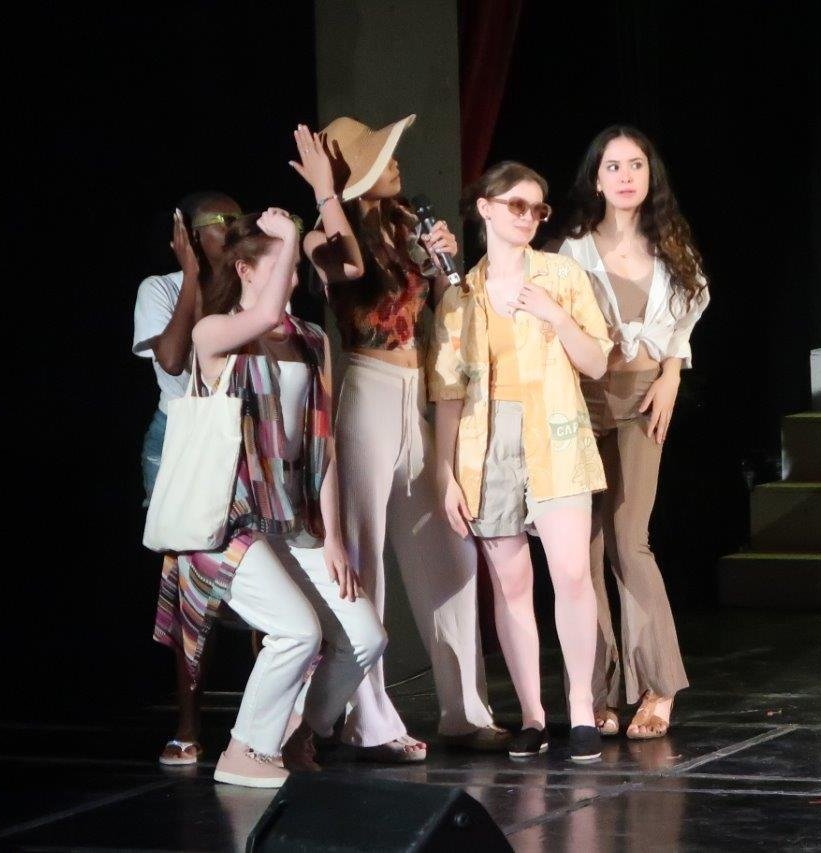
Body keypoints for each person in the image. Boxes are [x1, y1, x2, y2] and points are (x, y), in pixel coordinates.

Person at [154, 209, 387, 788]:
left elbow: (322, 444)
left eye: (291, 270)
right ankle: (245, 750)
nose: (289, 280)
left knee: (365, 637)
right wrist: (288, 234)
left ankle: (298, 732)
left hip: (292, 517)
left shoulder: (310, 341)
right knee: (296, 630)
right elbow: (258, 315)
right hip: (229, 522)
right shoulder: (213, 334)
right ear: (245, 270)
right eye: (276, 267)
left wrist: (332, 537)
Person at [296, 117, 506, 761]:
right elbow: (347, 265)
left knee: (448, 543)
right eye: (384, 157)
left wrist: (444, 269)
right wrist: (329, 194)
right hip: (367, 390)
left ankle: (465, 710)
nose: (397, 165)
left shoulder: (406, 223)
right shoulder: (324, 238)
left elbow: (441, 314)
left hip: (420, 391)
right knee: (362, 554)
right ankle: (369, 719)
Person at [431, 161, 613, 761]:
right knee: (511, 585)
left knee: (571, 575)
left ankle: (581, 709)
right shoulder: (461, 294)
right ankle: (533, 716)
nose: (529, 217)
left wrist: (555, 316)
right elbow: (448, 392)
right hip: (487, 444)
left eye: (538, 208)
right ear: (483, 207)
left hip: (555, 432)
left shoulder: (561, 275)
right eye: (516, 205)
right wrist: (445, 474)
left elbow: (597, 362)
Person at [557, 125, 709, 739]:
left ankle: (658, 686)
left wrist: (673, 371)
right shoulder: (573, 251)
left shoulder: (672, 245)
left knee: (630, 538)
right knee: (585, 548)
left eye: (636, 166)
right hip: (584, 401)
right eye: (613, 166)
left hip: (646, 398)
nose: (624, 176)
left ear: (650, 178)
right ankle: (595, 690)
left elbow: (688, 316)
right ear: (596, 178)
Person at [133, 191, 242, 766]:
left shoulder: (251, 283)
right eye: (220, 223)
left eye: (237, 219)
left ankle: (266, 727)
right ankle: (188, 722)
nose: (233, 228)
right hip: (178, 442)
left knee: (253, 571)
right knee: (188, 582)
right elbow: (174, 360)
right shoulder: (160, 289)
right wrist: (193, 278)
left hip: (237, 438)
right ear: (188, 233)